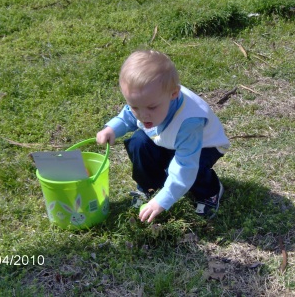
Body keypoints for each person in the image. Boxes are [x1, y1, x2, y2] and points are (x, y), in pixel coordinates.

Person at [96, 50, 230, 222]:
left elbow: (185, 165)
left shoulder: (190, 121)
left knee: (190, 169)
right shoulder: (147, 100)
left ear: (173, 94)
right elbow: (128, 115)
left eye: (151, 108)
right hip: (169, 139)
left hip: (203, 146)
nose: (143, 115)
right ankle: (149, 187)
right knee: (139, 142)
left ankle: (209, 191)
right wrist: (112, 129)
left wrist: (164, 200)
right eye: (135, 106)